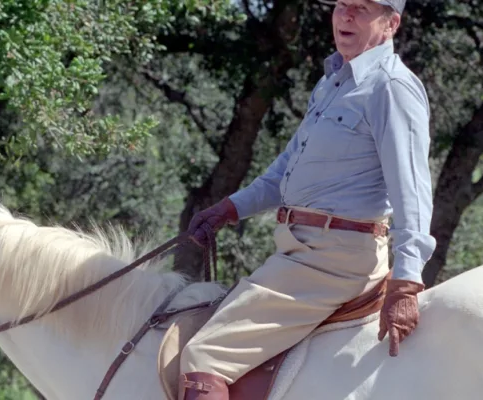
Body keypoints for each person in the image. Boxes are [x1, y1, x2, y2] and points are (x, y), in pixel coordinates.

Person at [179, 0, 436, 398]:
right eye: (342, 4)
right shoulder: (333, 82)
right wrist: (230, 208)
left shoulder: (392, 87)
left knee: (204, 357)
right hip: (302, 253)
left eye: (363, 8)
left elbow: (413, 191)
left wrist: (406, 281)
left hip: (335, 261)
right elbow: (285, 169)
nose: (346, 15)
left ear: (391, 24)